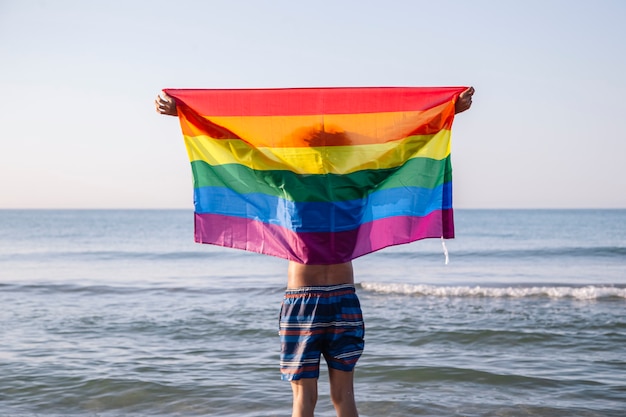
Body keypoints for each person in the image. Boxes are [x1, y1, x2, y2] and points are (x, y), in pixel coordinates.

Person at [155, 86, 474, 417]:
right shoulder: (359, 182)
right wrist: (447, 113)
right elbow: (405, 150)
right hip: (344, 299)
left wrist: (188, 114)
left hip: (302, 301)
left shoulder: (290, 181)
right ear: (345, 152)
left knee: (303, 399)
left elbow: (238, 152)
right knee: (343, 397)